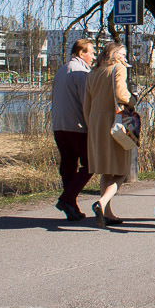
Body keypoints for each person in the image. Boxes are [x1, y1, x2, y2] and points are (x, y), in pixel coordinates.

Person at [82, 42, 136, 228]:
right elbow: (122, 94)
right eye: (122, 53)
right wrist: (133, 99)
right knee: (122, 170)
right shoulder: (118, 68)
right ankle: (102, 203)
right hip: (116, 123)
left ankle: (107, 213)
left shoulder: (93, 73)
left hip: (97, 123)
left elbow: (86, 103)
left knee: (106, 169)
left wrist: (91, 124)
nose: (124, 57)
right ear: (113, 54)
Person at [50, 38, 94, 221]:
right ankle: (67, 198)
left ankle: (71, 206)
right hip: (76, 126)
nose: (93, 56)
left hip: (59, 125)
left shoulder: (61, 70)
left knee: (68, 165)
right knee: (91, 163)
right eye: (91, 52)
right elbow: (87, 103)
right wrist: (93, 125)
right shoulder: (81, 73)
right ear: (80, 53)